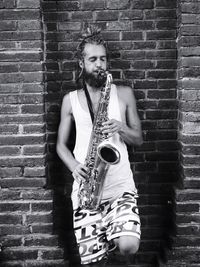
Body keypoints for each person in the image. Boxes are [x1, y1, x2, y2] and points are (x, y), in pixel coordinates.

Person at [56, 25, 143, 266]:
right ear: (81, 63)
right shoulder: (70, 101)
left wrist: (121, 127)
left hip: (119, 186)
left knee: (128, 246)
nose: (99, 64)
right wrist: (74, 166)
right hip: (86, 190)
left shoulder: (124, 94)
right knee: (94, 262)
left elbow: (139, 138)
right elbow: (61, 146)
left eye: (103, 59)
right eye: (93, 59)